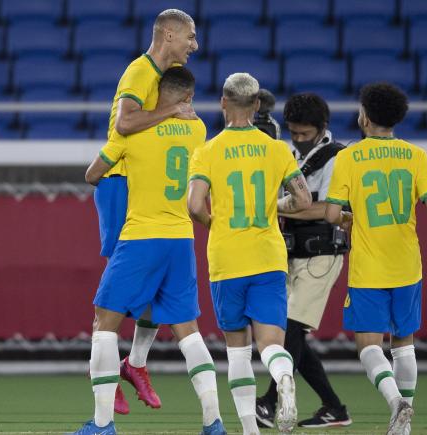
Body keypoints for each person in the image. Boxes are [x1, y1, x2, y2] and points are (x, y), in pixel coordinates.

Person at [75, 67, 225, 435]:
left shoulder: (132, 133)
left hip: (141, 235)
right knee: (188, 331)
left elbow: (93, 175)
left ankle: (102, 425)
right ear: (188, 98)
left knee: (104, 324)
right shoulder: (199, 130)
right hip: (181, 239)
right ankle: (214, 424)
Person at [324, 83, 427, 435]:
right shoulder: (415, 155)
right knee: (404, 343)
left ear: (365, 117)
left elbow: (330, 214)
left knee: (368, 346)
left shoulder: (348, 157)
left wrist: (349, 219)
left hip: (369, 268)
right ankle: (402, 427)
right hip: (406, 265)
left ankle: (395, 403)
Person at [187, 72, 312, 435]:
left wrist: (215, 223)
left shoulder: (207, 151)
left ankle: (249, 430)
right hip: (268, 257)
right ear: (257, 105)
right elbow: (304, 200)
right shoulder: (278, 149)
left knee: (237, 351)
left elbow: (194, 205)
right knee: (271, 343)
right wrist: (275, 206)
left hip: (228, 258)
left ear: (223, 103)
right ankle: (284, 375)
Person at [92, 8, 199, 413]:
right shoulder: (140, 72)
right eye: (190, 37)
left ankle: (135, 364)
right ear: (169, 35)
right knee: (113, 293)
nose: (195, 45)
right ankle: (101, 372)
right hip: (120, 183)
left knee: (155, 281)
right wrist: (172, 112)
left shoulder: (161, 79)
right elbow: (125, 123)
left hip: (144, 184)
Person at [255, 93, 352, 429]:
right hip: (294, 251)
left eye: (304, 133)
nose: (297, 139)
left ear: (321, 128)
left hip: (324, 251)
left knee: (292, 327)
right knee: (294, 334)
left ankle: (268, 401)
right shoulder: (290, 153)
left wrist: (276, 205)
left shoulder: (337, 158)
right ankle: (334, 408)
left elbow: (327, 210)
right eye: (293, 132)